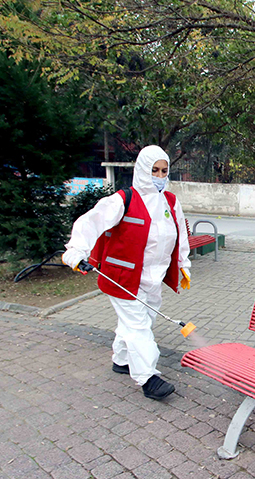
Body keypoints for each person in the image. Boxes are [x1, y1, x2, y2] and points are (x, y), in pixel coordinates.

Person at [61, 145, 191, 401]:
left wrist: (183, 265)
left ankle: (121, 360)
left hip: (153, 279)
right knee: (138, 326)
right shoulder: (124, 199)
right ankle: (148, 378)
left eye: (164, 171)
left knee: (141, 322)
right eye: (154, 170)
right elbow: (91, 222)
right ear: (143, 170)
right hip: (123, 279)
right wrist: (76, 251)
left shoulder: (170, 202)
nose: (159, 175)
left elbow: (181, 236)